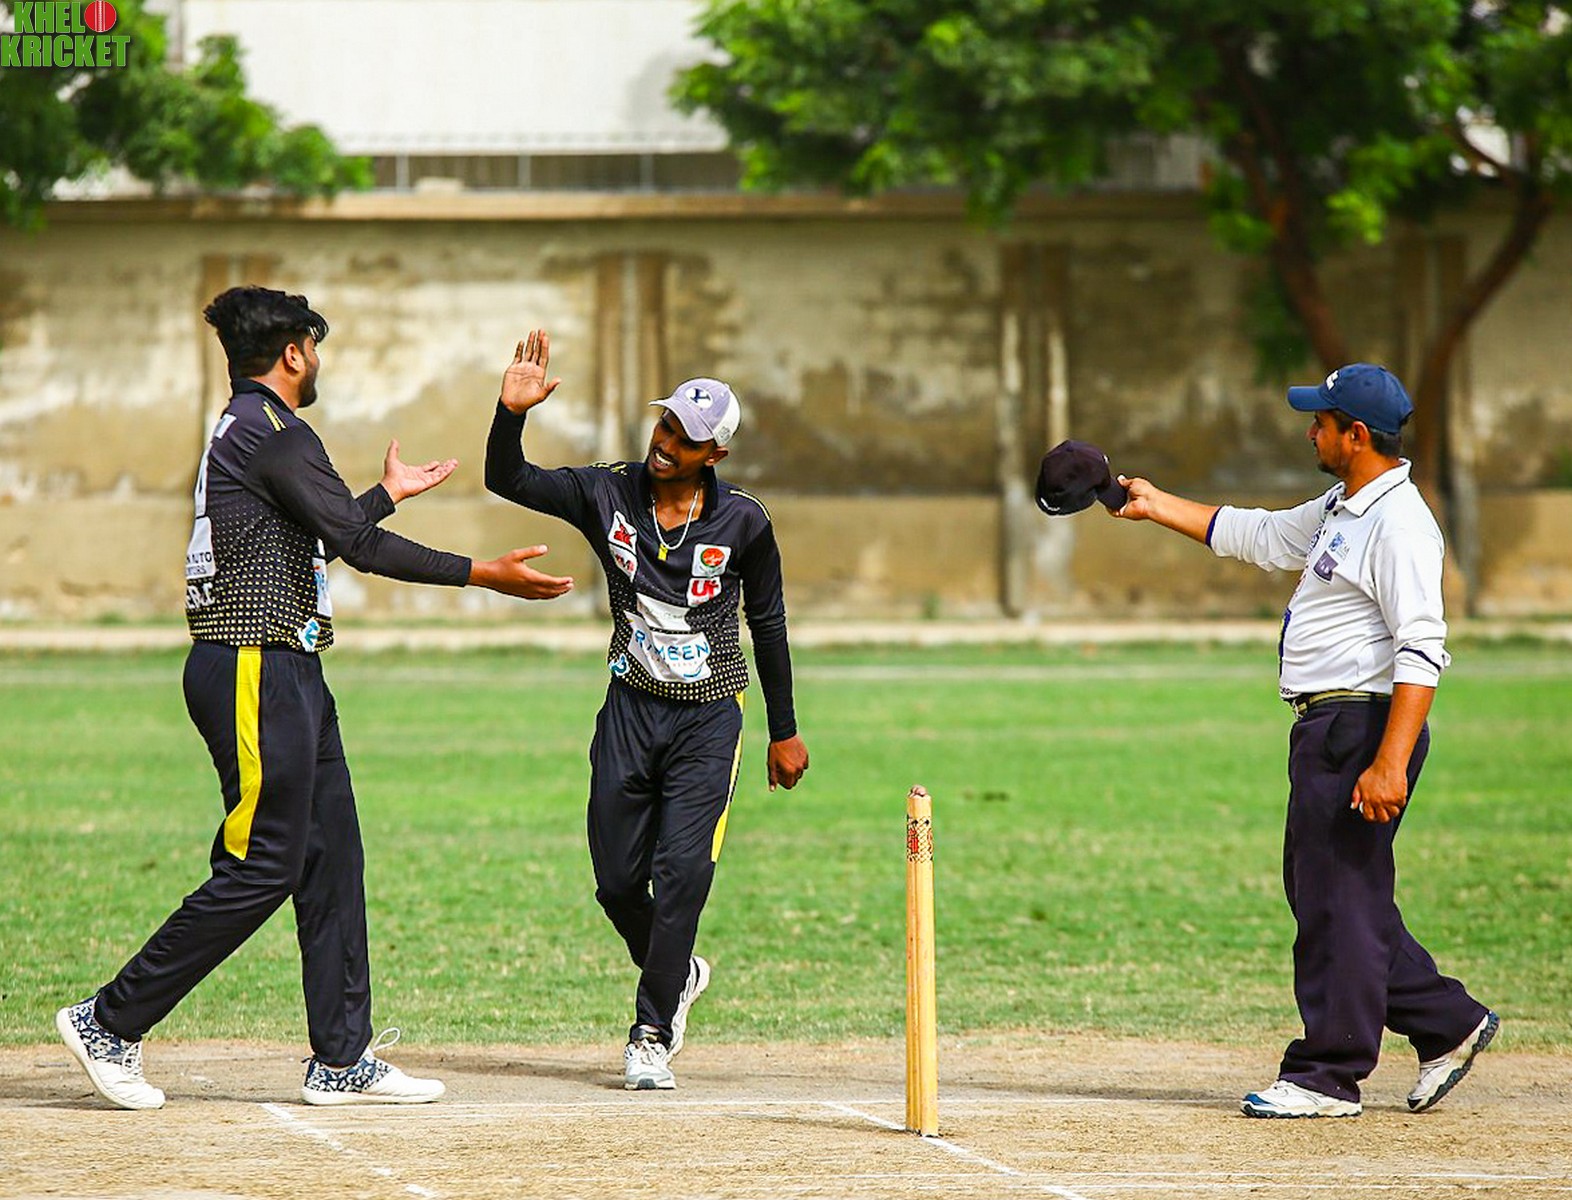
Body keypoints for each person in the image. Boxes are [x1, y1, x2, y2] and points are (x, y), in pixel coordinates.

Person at [56, 287, 574, 1111]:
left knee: (332, 858)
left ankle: (342, 1058)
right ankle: (108, 1021)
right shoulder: (275, 433)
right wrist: (484, 574)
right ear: (293, 353)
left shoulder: (251, 429)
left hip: (287, 669)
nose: (319, 359)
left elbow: (314, 540)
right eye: (315, 345)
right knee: (263, 865)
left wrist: (386, 493)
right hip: (252, 667)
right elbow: (358, 546)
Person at [1112, 363, 1497, 1119]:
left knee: (1337, 902)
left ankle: (1329, 1074)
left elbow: (1422, 647)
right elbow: (1259, 535)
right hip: (1330, 728)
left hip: (1363, 728)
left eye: (1321, 421)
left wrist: (1389, 762)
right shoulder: (1342, 506)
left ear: (1356, 435)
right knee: (1334, 894)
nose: (1310, 430)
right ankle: (1447, 1021)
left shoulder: (1399, 524)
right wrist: (1156, 505)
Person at [485, 331, 809, 1090]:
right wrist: (511, 413)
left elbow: (768, 624)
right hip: (630, 711)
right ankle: (680, 970)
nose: (664, 443)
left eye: (685, 438)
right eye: (664, 425)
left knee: (683, 872)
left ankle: (650, 1033)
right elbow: (508, 477)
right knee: (618, 883)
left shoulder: (746, 523)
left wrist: (784, 730)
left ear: (714, 454)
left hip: (708, 720)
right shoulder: (607, 492)